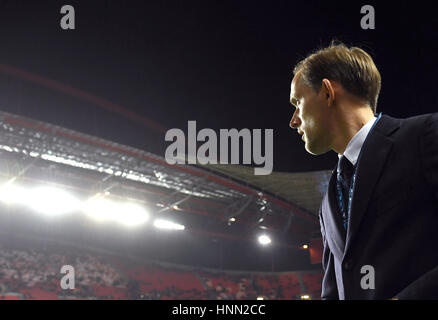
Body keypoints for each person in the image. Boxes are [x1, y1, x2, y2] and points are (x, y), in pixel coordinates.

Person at [289, 42, 438, 299]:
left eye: (297, 102)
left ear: (326, 92)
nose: (293, 121)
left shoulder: (425, 136)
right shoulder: (328, 202)